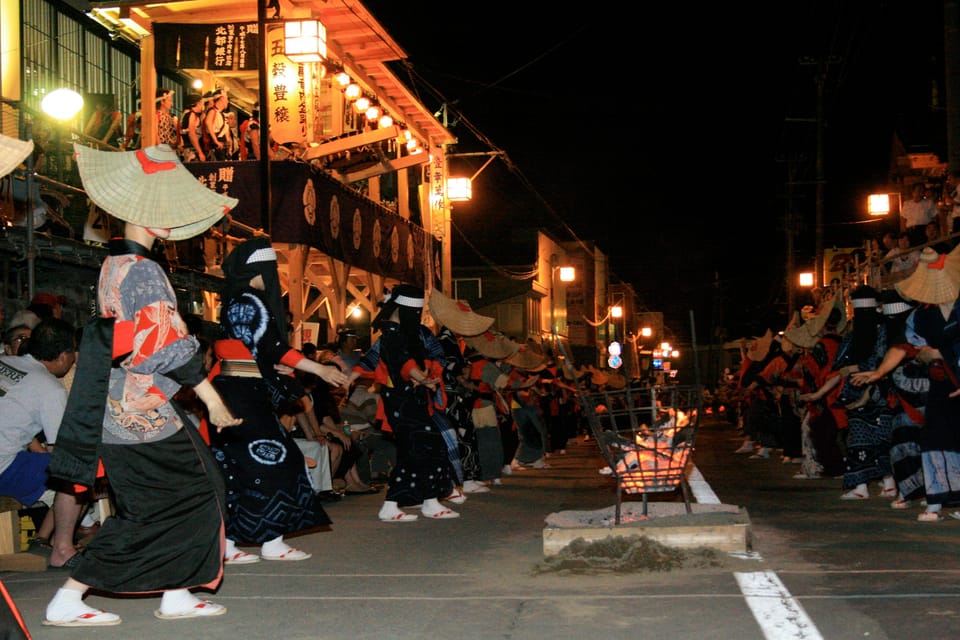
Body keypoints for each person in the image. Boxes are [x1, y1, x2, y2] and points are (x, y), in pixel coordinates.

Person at [42, 142, 243, 627]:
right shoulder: (147, 271)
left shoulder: (114, 266)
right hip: (143, 411)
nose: (171, 222)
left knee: (170, 499)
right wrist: (212, 400)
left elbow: (137, 341)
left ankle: (175, 592)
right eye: (166, 212)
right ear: (151, 217)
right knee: (187, 495)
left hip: (121, 406)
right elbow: (165, 347)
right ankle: (70, 595)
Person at [210, 237, 349, 563]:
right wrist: (319, 369)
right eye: (272, 267)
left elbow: (253, 351)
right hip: (240, 393)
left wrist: (271, 367)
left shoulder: (238, 300)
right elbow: (266, 348)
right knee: (275, 460)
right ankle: (259, 541)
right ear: (260, 268)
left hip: (239, 390)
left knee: (243, 466)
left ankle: (241, 543)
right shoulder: (249, 300)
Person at [349, 284, 460, 522]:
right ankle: (424, 500)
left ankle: (408, 502)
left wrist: (429, 376)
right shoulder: (391, 335)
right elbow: (399, 361)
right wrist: (422, 377)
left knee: (420, 448)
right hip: (400, 399)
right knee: (422, 446)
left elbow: (432, 357)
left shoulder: (414, 332)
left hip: (413, 396)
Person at [0, 318, 84, 569]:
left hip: (10, 457)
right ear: (62, 356)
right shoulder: (49, 388)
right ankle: (62, 548)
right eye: (72, 354)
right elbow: (61, 450)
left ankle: (43, 539)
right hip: (3, 468)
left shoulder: (4, 362)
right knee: (80, 470)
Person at [891, 248, 960, 521]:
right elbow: (906, 346)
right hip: (941, 384)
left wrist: (942, 354)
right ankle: (936, 501)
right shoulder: (921, 315)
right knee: (934, 439)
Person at [900, 182, 939, 247]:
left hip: (924, 231)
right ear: (913, 191)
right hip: (911, 232)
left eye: (922, 190)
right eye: (919, 190)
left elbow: (935, 217)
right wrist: (903, 234)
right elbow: (903, 220)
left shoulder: (929, 203)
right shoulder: (907, 204)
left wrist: (934, 232)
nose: (921, 191)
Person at [202, 89, 232, 161]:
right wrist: (215, 141)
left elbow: (226, 132)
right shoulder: (213, 111)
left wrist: (229, 146)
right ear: (221, 98)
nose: (227, 102)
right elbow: (208, 122)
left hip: (223, 146)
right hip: (217, 145)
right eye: (226, 99)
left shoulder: (221, 114)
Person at [178, 93, 207, 162]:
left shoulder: (185, 114)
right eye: (201, 103)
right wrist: (200, 152)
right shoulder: (192, 115)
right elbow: (192, 134)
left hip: (187, 148)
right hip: (192, 149)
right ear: (198, 103)